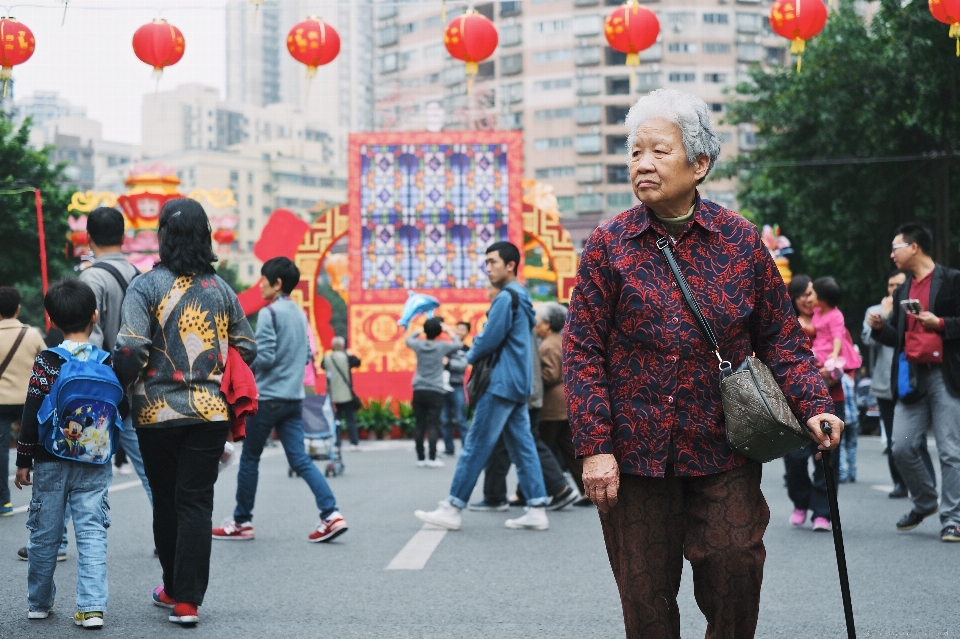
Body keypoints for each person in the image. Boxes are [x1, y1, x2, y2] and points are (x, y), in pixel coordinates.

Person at [563, 89, 841, 638]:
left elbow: (782, 337)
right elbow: (583, 349)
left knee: (737, 563)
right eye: (635, 151)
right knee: (645, 598)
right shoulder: (607, 246)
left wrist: (814, 404)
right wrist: (595, 447)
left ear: (699, 164)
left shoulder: (740, 241)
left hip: (724, 444)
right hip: (636, 456)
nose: (642, 163)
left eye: (658, 152)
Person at [113, 198, 257, 625]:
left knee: (167, 502)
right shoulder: (221, 289)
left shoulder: (145, 286)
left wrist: (122, 383)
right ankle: (187, 602)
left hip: (155, 414)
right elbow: (247, 347)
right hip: (209, 413)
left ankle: (173, 586)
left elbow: (131, 346)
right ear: (204, 236)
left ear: (164, 235)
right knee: (196, 503)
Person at [414, 241, 551, 531]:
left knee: (476, 444)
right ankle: (537, 507)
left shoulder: (505, 297)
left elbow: (490, 338)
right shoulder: (523, 296)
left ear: (510, 265)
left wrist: (468, 356)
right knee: (522, 446)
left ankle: (452, 507)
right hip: (519, 382)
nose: (488, 268)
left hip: (500, 382)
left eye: (493, 262)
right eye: (486, 262)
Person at [213, 257, 348, 543]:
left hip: (269, 398)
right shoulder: (300, 314)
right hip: (293, 399)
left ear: (276, 283)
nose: (260, 285)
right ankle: (331, 513)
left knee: (250, 458)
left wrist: (240, 354)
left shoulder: (270, 314)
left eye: (264, 279)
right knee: (300, 459)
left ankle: (241, 521)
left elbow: (267, 357)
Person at [14, 279, 119, 628]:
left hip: (50, 459)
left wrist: (24, 460)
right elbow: (121, 409)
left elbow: (32, 411)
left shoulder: (47, 361)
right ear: (94, 316)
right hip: (93, 460)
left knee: (44, 534)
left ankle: (39, 603)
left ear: (52, 320)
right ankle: (91, 608)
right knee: (92, 533)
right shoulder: (107, 361)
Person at [867, 222, 960, 543]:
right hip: (912, 376)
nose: (892, 254)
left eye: (897, 247)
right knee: (902, 447)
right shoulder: (904, 289)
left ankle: (953, 519)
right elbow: (898, 338)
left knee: (950, 451)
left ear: (914, 247)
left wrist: (941, 323)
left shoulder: (951, 280)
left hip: (946, 375)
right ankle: (924, 502)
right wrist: (880, 327)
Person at [473, 302, 578, 512]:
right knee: (523, 445)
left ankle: (556, 490)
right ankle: (521, 495)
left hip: (524, 396)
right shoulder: (542, 336)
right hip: (535, 397)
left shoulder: (532, 337)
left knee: (529, 445)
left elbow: (547, 373)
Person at [78, 207, 152, 503]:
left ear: (88, 237)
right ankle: (170, 539)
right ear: (123, 237)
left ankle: (57, 543)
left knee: (85, 468)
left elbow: (89, 340)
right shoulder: (140, 276)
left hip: (100, 389)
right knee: (149, 469)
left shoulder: (90, 279)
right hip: (134, 386)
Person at [861, 269, 935, 498]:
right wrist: (884, 316)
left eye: (899, 285)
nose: (894, 289)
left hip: (911, 381)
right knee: (894, 436)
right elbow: (866, 338)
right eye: (891, 285)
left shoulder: (915, 309)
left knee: (916, 438)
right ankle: (900, 483)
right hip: (885, 384)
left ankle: (926, 484)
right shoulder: (875, 311)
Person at [782, 275, 843, 532]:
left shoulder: (829, 317)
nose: (809, 299)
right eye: (804, 294)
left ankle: (822, 512)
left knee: (826, 457)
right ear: (794, 298)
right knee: (795, 458)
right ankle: (800, 501)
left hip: (831, 395)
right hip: (794, 400)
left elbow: (844, 346)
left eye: (812, 293)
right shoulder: (784, 323)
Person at [0, 286, 46, 517]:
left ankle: (3, 502)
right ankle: (43, 498)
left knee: (0, 451)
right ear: (18, 308)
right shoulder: (32, 333)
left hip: (1, 402)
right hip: (30, 399)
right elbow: (47, 361)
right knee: (37, 446)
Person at [535, 302, 587, 504]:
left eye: (538, 321)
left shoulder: (547, 345)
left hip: (551, 406)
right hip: (566, 402)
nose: (536, 325)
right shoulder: (563, 339)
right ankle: (587, 489)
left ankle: (551, 491)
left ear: (547, 324)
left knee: (538, 449)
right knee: (569, 449)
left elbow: (550, 374)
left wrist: (532, 376)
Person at [406, 317, 463, 467]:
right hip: (436, 389)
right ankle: (431, 458)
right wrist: (448, 330)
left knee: (419, 424)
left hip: (419, 388)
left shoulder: (418, 344)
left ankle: (420, 458)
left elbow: (408, 339)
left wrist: (421, 329)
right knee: (433, 424)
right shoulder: (441, 346)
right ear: (439, 332)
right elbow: (458, 344)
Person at [810, 276, 861, 379]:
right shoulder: (817, 311)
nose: (810, 298)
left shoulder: (835, 315)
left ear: (823, 300)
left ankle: (835, 369)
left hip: (829, 347)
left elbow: (837, 337)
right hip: (819, 344)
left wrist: (835, 353)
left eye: (813, 294)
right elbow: (814, 328)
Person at [321, 337, 361, 448]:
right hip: (346, 393)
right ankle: (354, 442)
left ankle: (336, 442)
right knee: (351, 419)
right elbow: (358, 362)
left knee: (335, 419)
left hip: (333, 394)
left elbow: (322, 366)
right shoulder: (346, 357)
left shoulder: (327, 358)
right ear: (342, 346)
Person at [440, 321, 470, 455]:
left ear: (467, 333)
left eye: (462, 330)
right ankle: (449, 448)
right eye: (457, 329)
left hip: (457, 386)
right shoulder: (447, 347)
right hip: (443, 387)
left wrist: (449, 362)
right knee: (445, 419)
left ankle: (467, 448)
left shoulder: (467, 349)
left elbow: (461, 366)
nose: (458, 332)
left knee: (461, 419)